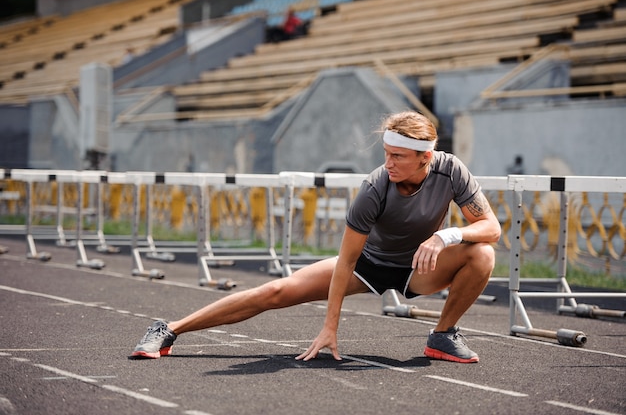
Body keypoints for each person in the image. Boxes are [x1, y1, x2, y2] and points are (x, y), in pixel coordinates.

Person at [130, 111, 501, 364]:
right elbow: (347, 260)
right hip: (367, 264)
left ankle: (442, 334)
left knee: (482, 254)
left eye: (398, 157)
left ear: (426, 157)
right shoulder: (375, 186)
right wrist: (330, 326)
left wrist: (446, 236)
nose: (388, 163)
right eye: (386, 154)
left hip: (419, 267)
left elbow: (491, 228)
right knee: (274, 292)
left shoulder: (451, 171)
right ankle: (169, 329)